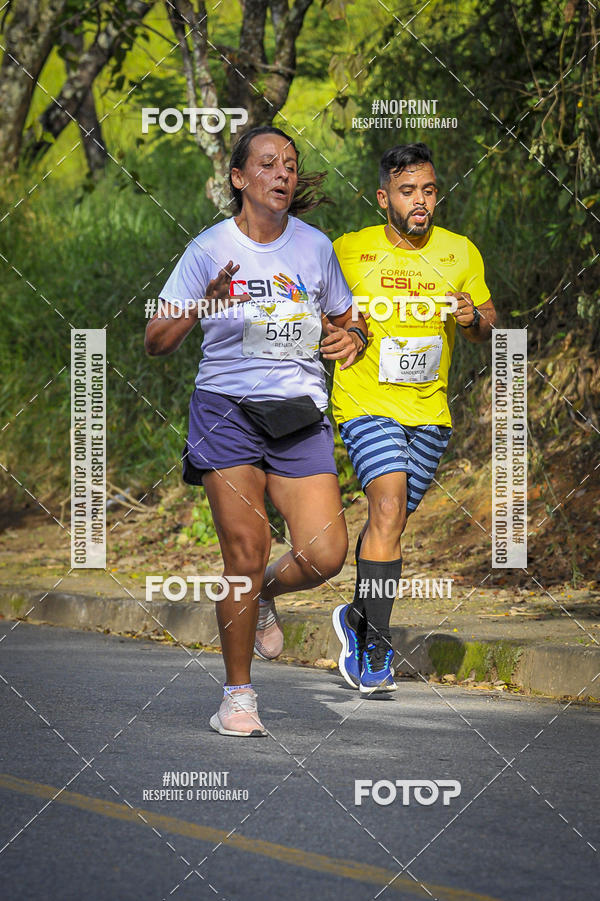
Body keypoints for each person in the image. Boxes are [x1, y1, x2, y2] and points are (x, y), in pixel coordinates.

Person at [145, 126, 369, 736]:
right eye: (268, 164)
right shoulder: (207, 249)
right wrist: (202, 303)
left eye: (291, 165)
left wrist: (353, 336)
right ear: (239, 179)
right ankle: (237, 697)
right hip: (226, 410)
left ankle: (264, 595)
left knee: (324, 554)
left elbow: (351, 321)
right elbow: (156, 341)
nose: (282, 173)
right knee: (244, 554)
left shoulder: (316, 247)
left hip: (298, 414)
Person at [330, 142, 497, 694]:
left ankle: (358, 617)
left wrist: (473, 318)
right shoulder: (349, 251)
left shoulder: (459, 252)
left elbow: (490, 325)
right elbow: (317, 308)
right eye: (408, 191)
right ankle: (376, 649)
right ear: (384, 198)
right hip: (365, 403)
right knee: (388, 504)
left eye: (428, 189)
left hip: (431, 412)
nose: (421, 200)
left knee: (391, 524)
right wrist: (344, 331)